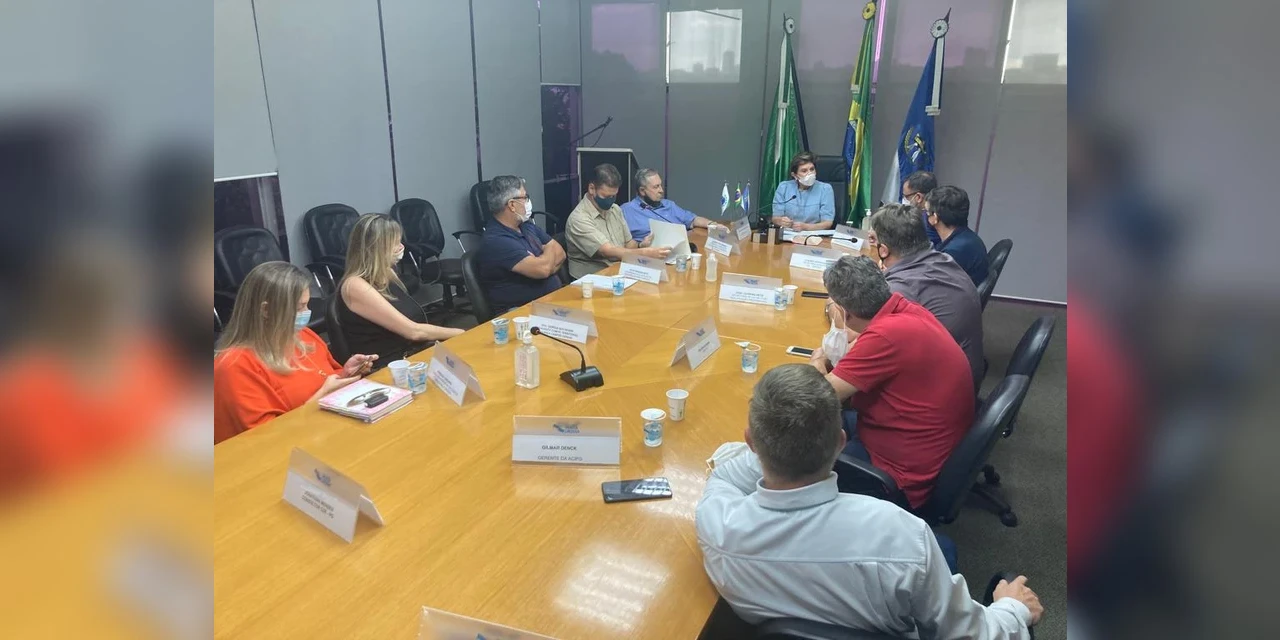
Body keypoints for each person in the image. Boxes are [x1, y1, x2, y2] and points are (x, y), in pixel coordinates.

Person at [696, 364, 1043, 636]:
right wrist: (1012, 608)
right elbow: (972, 634)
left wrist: (769, 444)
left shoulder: (718, 527)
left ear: (751, 443)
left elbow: (722, 476)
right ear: (840, 443)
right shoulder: (901, 536)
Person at [809, 256, 974, 508]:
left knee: (797, 453)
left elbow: (816, 396)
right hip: (925, 443)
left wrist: (816, 362)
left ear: (845, 312)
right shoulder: (904, 308)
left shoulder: (886, 336)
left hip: (899, 474)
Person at [214, 262, 378, 443]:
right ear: (266, 310)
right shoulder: (235, 365)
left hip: (322, 433)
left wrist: (345, 374)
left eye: (307, 304)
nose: (307, 312)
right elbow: (266, 439)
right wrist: (322, 396)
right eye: (299, 307)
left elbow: (325, 377)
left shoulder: (302, 336)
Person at [870, 203, 985, 389]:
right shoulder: (944, 259)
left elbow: (862, 335)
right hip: (962, 378)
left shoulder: (902, 288)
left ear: (883, 250)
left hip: (939, 389)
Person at [336, 214, 463, 364]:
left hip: (412, 354)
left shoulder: (387, 273)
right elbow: (413, 332)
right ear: (376, 248)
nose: (401, 247)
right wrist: (461, 333)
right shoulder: (355, 286)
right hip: (388, 365)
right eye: (394, 243)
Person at [477, 175, 566, 312]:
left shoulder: (526, 225)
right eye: (525, 197)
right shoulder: (496, 240)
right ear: (512, 205)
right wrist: (548, 253)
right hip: (519, 312)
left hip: (549, 302)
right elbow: (543, 269)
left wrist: (545, 263)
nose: (528, 202)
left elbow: (560, 253)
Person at [565, 163, 670, 279]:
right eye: (606, 196)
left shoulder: (615, 209)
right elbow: (607, 251)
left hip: (619, 272)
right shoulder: (579, 218)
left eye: (613, 196)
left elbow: (629, 244)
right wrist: (645, 253)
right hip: (592, 279)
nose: (611, 200)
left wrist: (641, 245)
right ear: (592, 189)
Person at [620, 168, 711, 243]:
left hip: (680, 250)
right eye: (656, 187)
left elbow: (693, 220)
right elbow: (622, 244)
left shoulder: (669, 205)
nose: (661, 190)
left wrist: (712, 225)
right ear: (642, 191)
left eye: (661, 185)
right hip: (649, 254)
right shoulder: (626, 211)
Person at [926, 185, 990, 286]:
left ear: (935, 218)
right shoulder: (967, 238)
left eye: (926, 212)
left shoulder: (952, 253)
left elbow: (930, 286)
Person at [771, 151, 835, 231]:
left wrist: (806, 227)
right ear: (795, 175)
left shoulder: (825, 189)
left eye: (812, 169)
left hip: (814, 235)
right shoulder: (784, 187)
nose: (810, 173)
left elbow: (827, 223)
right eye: (804, 171)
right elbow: (775, 218)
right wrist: (780, 221)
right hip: (788, 235)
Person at [901, 170, 942, 246]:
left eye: (906, 196)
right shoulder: (942, 212)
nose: (904, 200)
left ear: (918, 197)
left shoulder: (923, 225)